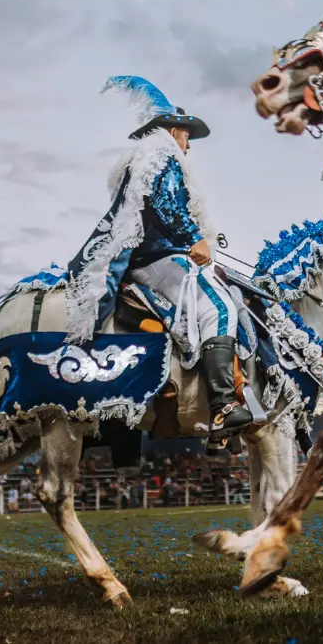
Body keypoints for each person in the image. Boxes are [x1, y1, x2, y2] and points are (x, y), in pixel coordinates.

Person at [65, 75, 257, 442]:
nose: (188, 143)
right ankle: (222, 406)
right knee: (218, 307)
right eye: (185, 133)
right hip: (157, 260)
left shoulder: (144, 158)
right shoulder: (161, 154)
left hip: (144, 260)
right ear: (170, 130)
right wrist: (195, 238)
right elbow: (162, 203)